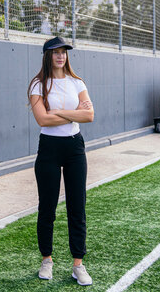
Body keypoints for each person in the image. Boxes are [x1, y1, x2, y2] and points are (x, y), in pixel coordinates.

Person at [28, 36, 94, 286]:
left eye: (64, 52)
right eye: (56, 52)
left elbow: (89, 115)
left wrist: (58, 112)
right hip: (49, 149)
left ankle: (78, 264)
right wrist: (72, 114)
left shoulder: (77, 82)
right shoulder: (38, 84)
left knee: (77, 207)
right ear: (47, 55)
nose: (61, 56)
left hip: (74, 147)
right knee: (47, 208)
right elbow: (42, 120)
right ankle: (47, 260)